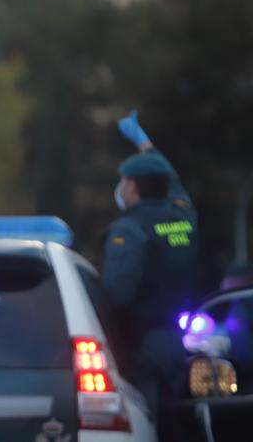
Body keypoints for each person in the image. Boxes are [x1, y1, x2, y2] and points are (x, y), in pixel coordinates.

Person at [104, 110, 200, 423]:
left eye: (123, 181)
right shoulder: (183, 215)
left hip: (142, 347)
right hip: (176, 340)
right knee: (177, 420)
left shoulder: (129, 230)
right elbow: (169, 179)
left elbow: (116, 295)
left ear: (132, 187)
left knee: (145, 420)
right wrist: (143, 142)